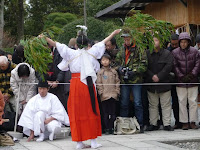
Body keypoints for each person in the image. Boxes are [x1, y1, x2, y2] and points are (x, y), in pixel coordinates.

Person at [42, 28, 121, 149]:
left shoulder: (71, 53)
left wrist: (45, 38)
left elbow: (57, 45)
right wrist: (113, 34)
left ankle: (79, 142)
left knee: (76, 113)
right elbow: (103, 42)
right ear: (88, 44)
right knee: (91, 111)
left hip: (75, 84)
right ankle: (93, 141)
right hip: (87, 84)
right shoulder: (92, 52)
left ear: (76, 44)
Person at [116, 29, 147, 133]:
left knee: (138, 103)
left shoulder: (139, 49)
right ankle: (123, 126)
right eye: (125, 38)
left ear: (132, 38)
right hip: (124, 81)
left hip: (136, 80)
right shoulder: (121, 49)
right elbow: (116, 63)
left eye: (128, 38)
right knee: (124, 103)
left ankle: (140, 125)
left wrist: (133, 71)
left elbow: (144, 65)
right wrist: (120, 69)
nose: (126, 40)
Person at [172, 32, 200, 130]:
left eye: (185, 42)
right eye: (181, 42)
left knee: (193, 101)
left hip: (193, 80)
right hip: (180, 81)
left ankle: (192, 121)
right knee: (181, 101)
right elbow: (174, 66)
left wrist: (192, 75)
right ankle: (184, 122)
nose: (183, 44)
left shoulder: (195, 52)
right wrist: (181, 76)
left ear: (188, 42)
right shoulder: (175, 52)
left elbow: (197, 64)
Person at [146, 37, 174, 131]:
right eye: (152, 40)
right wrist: (152, 76)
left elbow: (169, 66)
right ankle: (153, 123)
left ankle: (167, 123)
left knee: (166, 105)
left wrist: (159, 76)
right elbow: (145, 66)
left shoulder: (167, 53)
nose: (154, 42)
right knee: (153, 105)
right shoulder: (147, 53)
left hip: (164, 82)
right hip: (151, 83)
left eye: (156, 40)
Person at [96, 54, 120, 134]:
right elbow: (98, 83)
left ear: (110, 61)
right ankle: (106, 128)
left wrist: (117, 91)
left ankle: (112, 127)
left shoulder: (114, 71)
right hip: (104, 95)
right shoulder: (100, 72)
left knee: (113, 113)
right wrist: (101, 92)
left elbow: (117, 82)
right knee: (105, 113)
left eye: (106, 60)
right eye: (103, 60)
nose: (105, 62)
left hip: (113, 95)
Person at [167, 33, 181, 129]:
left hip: (181, 78)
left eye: (177, 44)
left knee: (183, 102)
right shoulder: (168, 52)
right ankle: (177, 121)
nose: (175, 46)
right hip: (170, 79)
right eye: (173, 45)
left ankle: (184, 121)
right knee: (174, 102)